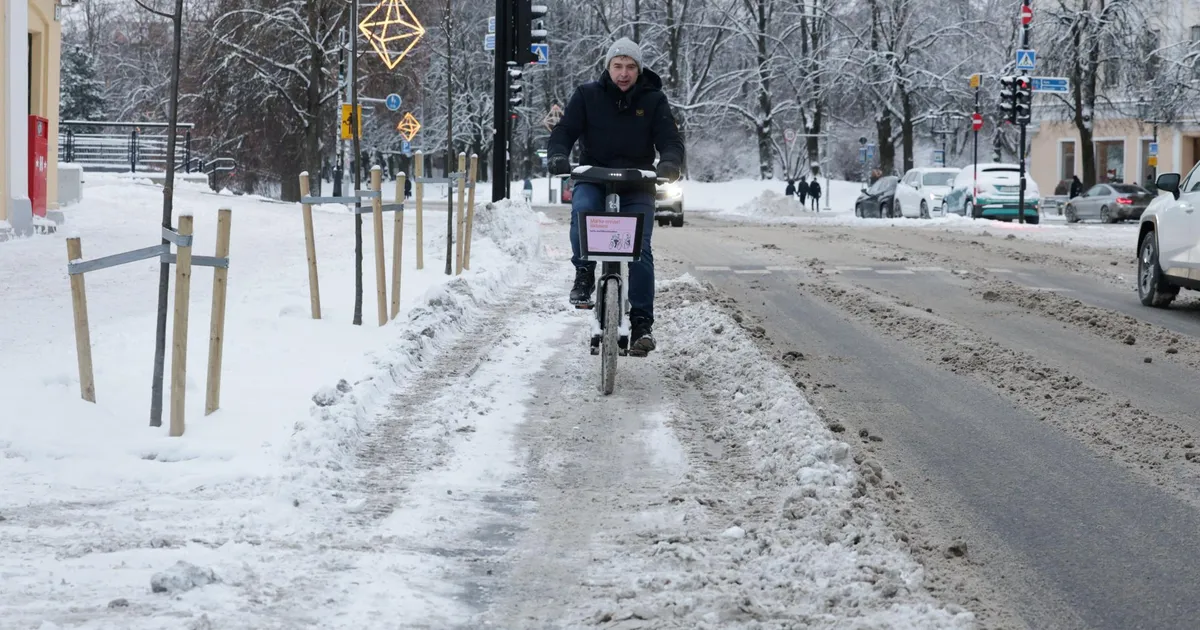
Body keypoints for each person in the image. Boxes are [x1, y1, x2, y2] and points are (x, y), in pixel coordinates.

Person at [547, 37, 685, 357]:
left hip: (636, 182)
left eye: (630, 67)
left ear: (639, 70)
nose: (623, 73)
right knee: (582, 211)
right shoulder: (587, 96)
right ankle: (584, 273)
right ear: (608, 68)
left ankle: (641, 323)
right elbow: (565, 130)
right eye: (618, 66)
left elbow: (670, 139)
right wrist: (558, 155)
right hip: (594, 177)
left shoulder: (653, 100)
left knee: (641, 250)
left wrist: (668, 163)